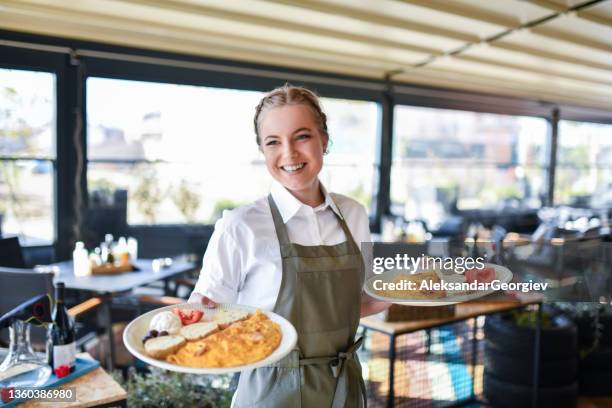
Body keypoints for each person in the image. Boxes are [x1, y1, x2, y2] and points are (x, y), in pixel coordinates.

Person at [189, 84, 390, 407]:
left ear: (324, 140)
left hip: (342, 388)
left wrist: (431, 284)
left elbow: (359, 302)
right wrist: (200, 311)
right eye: (273, 142)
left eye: (302, 136)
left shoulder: (354, 213)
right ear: (262, 151)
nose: (289, 153)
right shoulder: (240, 226)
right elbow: (205, 317)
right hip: (271, 392)